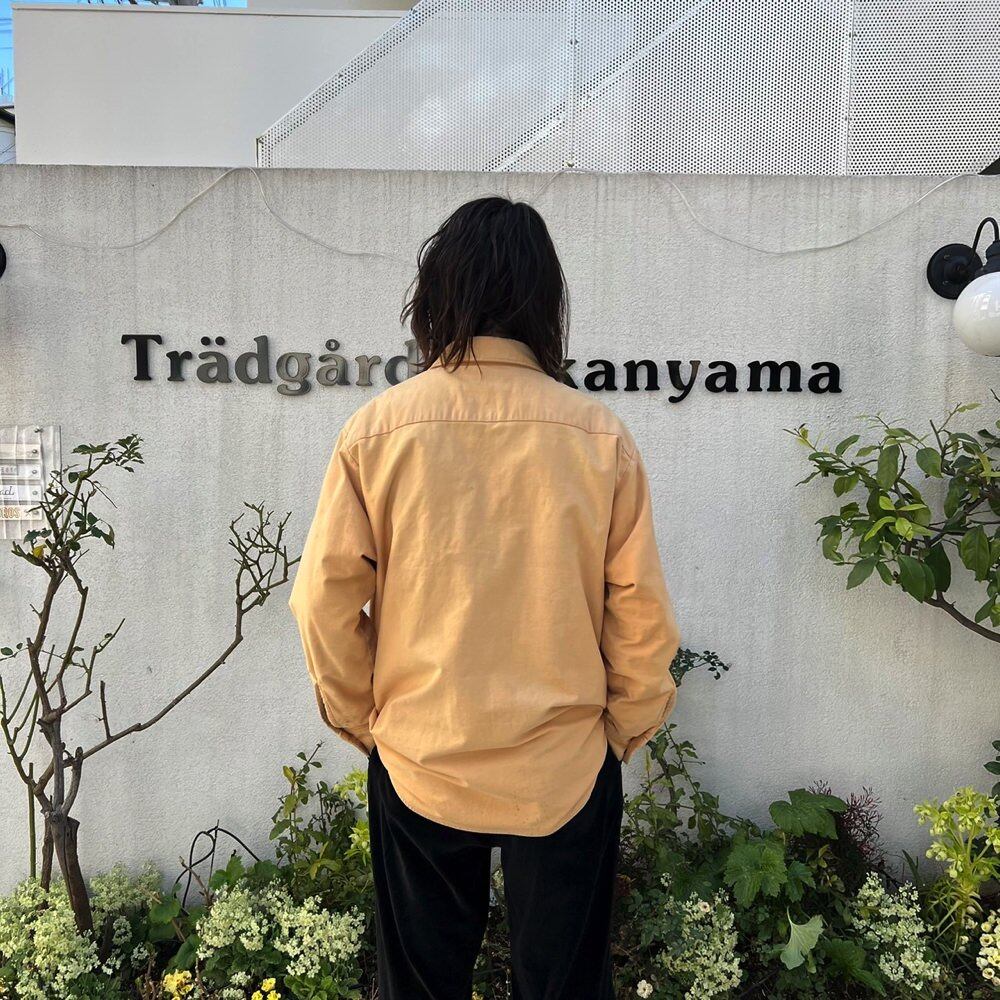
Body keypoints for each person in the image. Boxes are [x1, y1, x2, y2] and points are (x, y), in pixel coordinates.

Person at [288, 196, 680, 1000]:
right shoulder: (597, 435)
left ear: (437, 294)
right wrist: (620, 730)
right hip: (564, 764)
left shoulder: (378, 430)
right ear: (545, 300)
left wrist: (365, 719)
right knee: (564, 988)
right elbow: (639, 613)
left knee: (420, 987)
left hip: (421, 754)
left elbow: (322, 602)